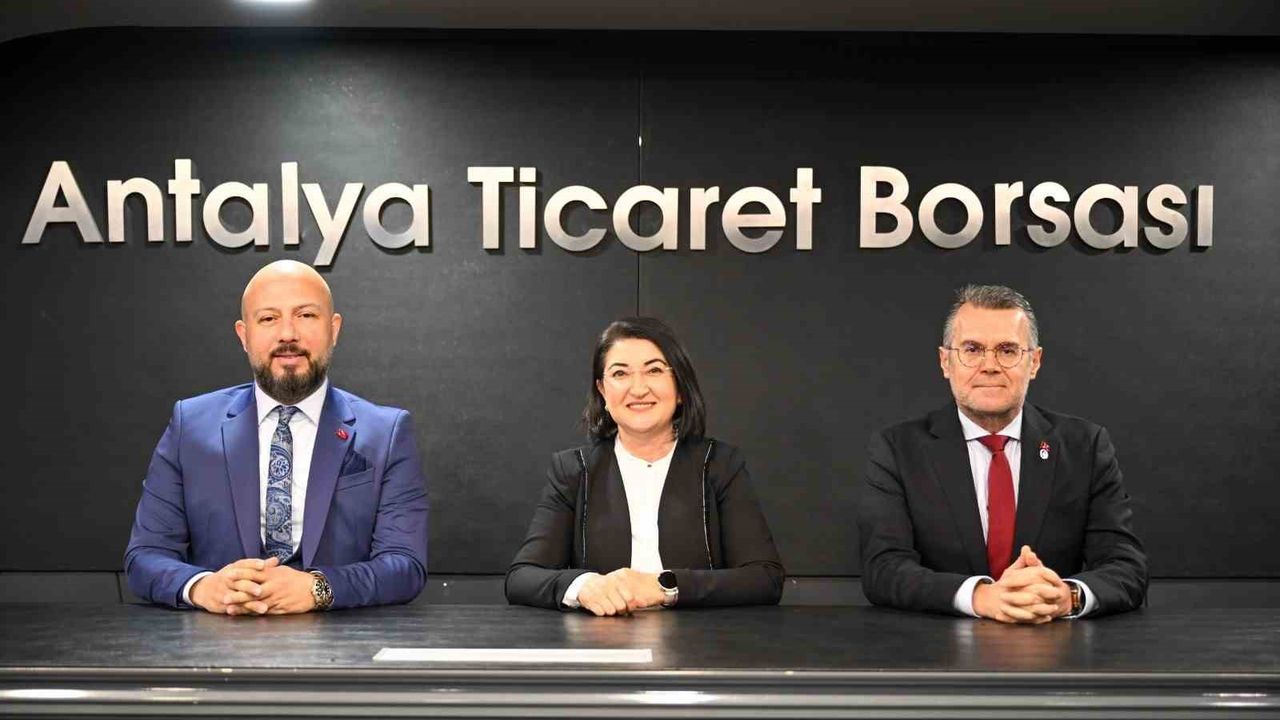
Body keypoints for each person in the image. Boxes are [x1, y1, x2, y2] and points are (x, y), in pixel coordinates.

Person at [124, 260, 428, 614]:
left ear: (334, 329)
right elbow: (145, 556)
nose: (287, 334)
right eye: (268, 318)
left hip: (342, 640)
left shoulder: (387, 433)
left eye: (306, 315)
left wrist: (318, 588)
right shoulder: (190, 426)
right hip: (217, 638)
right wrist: (205, 587)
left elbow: (405, 565)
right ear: (244, 335)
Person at [857, 284, 1147, 622]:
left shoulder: (1085, 446)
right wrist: (981, 597)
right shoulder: (897, 449)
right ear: (945, 362)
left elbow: (1126, 566)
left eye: (1007, 350)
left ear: (1034, 362)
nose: (990, 365)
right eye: (972, 349)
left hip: (1055, 644)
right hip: (937, 647)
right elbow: (883, 568)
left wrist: (1066, 596)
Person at [506, 317, 784, 615]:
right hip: (602, 639)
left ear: (680, 388)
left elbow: (764, 578)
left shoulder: (720, 465)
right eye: (620, 373)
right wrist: (584, 586)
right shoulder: (574, 471)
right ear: (603, 391)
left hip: (701, 639)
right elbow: (522, 578)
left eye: (654, 370)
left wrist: (663, 587)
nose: (638, 389)